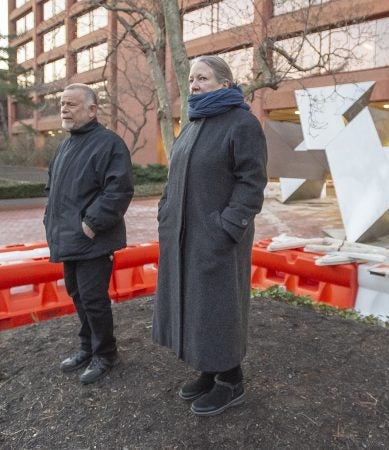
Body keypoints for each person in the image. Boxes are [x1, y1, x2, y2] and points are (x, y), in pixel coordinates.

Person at [153, 55, 267, 416]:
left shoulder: (242, 124)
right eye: (190, 80)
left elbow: (252, 183)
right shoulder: (191, 125)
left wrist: (227, 227)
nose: (194, 85)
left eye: (202, 78)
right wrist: (165, 212)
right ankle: (209, 369)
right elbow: (174, 179)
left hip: (218, 238)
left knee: (220, 308)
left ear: (225, 83)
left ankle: (231, 381)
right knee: (197, 305)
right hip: (184, 237)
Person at [44, 83, 134, 385]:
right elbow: (52, 189)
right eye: (62, 105)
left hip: (94, 238)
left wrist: (92, 222)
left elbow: (119, 190)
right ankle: (87, 347)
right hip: (68, 238)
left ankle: (105, 354)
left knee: (94, 299)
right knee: (78, 296)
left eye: (71, 104)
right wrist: (49, 219)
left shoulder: (109, 144)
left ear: (92, 110)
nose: (64, 110)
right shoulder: (64, 145)